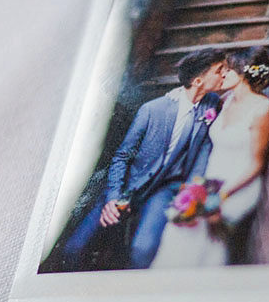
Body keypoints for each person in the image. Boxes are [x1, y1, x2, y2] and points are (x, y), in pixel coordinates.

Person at [58, 49, 227, 270]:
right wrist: (113, 197)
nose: (224, 74)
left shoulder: (211, 104)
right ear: (197, 81)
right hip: (129, 185)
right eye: (219, 71)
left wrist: (192, 189)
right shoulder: (151, 110)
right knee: (75, 248)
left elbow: (202, 151)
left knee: (143, 249)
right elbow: (122, 156)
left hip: (165, 189)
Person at [151, 47, 269, 268]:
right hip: (209, 182)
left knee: (202, 235)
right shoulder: (226, 100)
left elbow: (257, 164)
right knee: (178, 227)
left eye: (226, 70)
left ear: (241, 74)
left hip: (238, 186)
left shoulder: (262, 110)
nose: (222, 75)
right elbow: (192, 98)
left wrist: (220, 196)